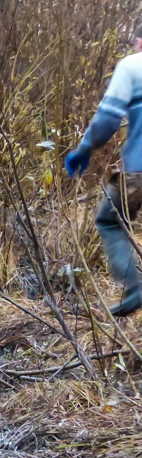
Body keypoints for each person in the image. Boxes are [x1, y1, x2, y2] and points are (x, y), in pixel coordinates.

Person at [65, 24, 142, 316]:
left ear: (139, 41)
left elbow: (107, 122)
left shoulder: (132, 66)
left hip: (138, 171)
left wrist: (82, 151)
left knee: (111, 221)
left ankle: (136, 291)